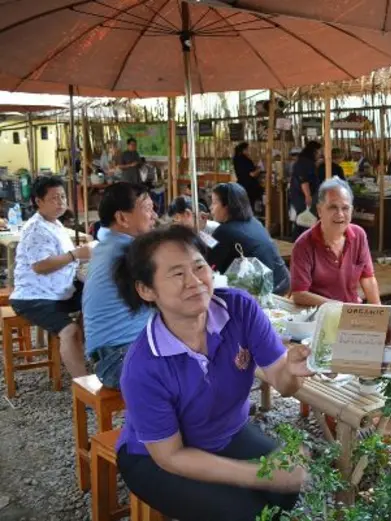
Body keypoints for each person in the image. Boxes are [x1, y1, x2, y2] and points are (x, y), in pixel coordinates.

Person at [114, 226, 310, 521]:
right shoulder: (144, 365)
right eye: (177, 274)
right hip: (157, 458)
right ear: (146, 289)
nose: (195, 282)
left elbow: (284, 382)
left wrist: (294, 371)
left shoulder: (239, 308)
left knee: (286, 490)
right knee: (253, 514)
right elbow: (171, 456)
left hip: (225, 433)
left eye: (199, 266)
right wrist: (260, 475)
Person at [10, 176, 91, 378]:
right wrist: (75, 255)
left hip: (60, 290)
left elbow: (64, 259)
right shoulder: (35, 228)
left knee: (97, 298)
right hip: (34, 297)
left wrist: (81, 259)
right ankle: (83, 386)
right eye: (54, 198)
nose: (61, 202)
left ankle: (82, 350)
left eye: (63, 197)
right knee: (70, 330)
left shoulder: (55, 224)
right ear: (39, 201)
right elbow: (40, 266)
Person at [83, 182, 157, 388]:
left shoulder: (106, 246)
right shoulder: (129, 251)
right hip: (119, 359)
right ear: (122, 218)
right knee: (196, 362)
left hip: (114, 355)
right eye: (148, 209)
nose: (154, 216)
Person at [290, 178, 380, 307]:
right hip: (318, 316)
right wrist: (340, 308)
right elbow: (299, 293)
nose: (340, 214)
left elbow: (368, 278)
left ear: (351, 210)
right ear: (320, 210)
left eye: (345, 208)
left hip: (351, 313)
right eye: (333, 207)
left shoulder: (359, 235)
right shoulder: (304, 244)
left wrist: (379, 314)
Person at [208, 183, 290, 296]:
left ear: (227, 206)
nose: (210, 207)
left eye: (214, 202)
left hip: (264, 293)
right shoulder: (255, 222)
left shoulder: (224, 231)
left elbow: (208, 265)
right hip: (283, 282)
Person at [289, 141, 321, 239]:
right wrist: (308, 195)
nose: (321, 153)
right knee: (303, 220)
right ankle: (298, 241)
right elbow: (304, 180)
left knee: (304, 220)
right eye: (319, 151)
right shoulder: (304, 162)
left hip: (303, 195)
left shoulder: (306, 161)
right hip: (302, 196)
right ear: (314, 151)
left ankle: (301, 241)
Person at [233, 142, 265, 215]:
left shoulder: (236, 159)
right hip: (249, 187)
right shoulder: (244, 160)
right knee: (251, 205)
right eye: (247, 149)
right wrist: (259, 169)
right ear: (243, 150)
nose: (248, 151)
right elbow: (252, 174)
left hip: (241, 185)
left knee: (244, 206)